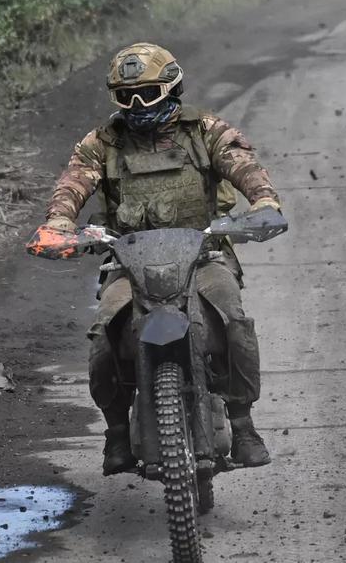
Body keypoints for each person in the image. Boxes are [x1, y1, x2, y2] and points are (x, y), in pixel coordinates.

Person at [39, 42, 282, 475]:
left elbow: (241, 162)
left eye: (147, 93)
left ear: (172, 88)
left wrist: (263, 201)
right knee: (104, 335)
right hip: (128, 263)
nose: (136, 105)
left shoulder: (203, 130)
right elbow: (73, 184)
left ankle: (243, 424)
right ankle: (116, 432)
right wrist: (59, 223)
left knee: (233, 319)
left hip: (202, 255)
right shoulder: (101, 143)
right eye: (126, 96)